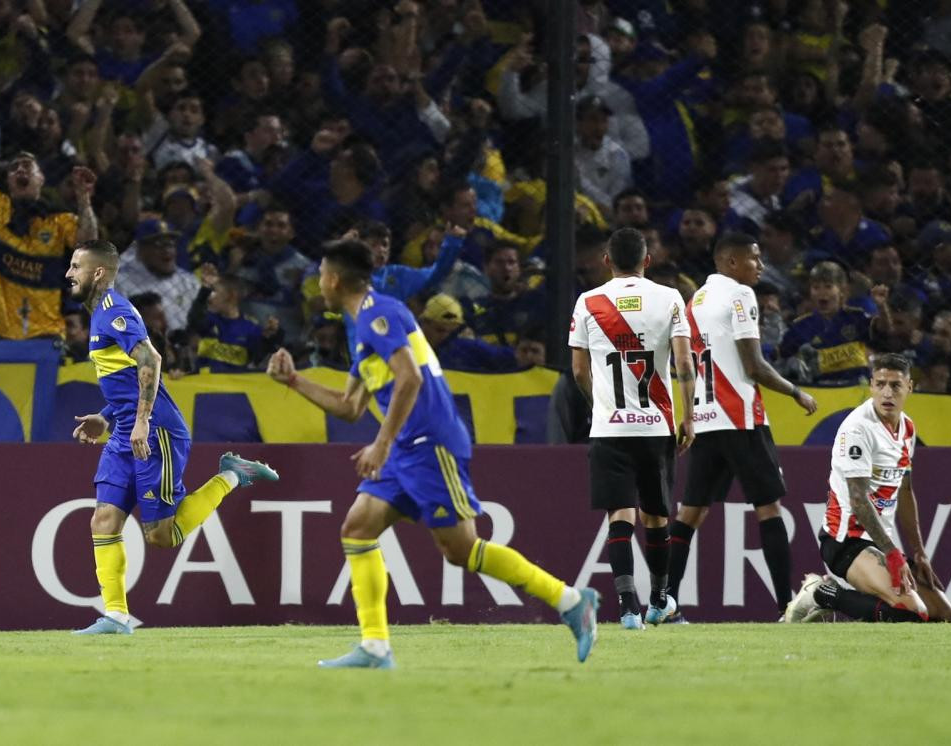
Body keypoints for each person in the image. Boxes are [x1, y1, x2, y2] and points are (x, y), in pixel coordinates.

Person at [266, 239, 599, 668]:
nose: (317, 284)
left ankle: (571, 601)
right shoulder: (364, 325)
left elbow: (410, 381)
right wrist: (295, 382)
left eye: (320, 276)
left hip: (429, 443)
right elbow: (349, 407)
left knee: (461, 549)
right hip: (406, 446)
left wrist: (381, 444)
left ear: (332, 278)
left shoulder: (378, 314)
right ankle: (375, 646)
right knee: (358, 527)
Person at [64, 239, 279, 635]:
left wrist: (142, 420)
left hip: (155, 430)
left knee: (162, 537)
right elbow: (128, 379)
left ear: (97, 273)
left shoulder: (115, 312)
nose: (68, 273)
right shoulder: (98, 315)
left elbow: (152, 360)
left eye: (75, 266)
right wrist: (105, 415)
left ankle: (232, 474)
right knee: (103, 520)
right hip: (124, 431)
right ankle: (116, 615)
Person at [664, 233, 819, 623]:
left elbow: (683, 363)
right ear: (731, 262)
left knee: (690, 514)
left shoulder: (694, 301)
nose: (761, 267)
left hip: (705, 418)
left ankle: (662, 603)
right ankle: (786, 606)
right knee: (768, 508)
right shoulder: (739, 296)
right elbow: (753, 366)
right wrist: (795, 392)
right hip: (740, 417)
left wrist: (688, 415)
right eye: (755, 258)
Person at [567, 227, 696, 630]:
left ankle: (627, 609)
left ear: (607, 261)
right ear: (647, 260)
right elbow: (685, 365)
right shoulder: (670, 298)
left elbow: (578, 370)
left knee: (620, 515)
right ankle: (660, 601)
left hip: (610, 428)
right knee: (657, 516)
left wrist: (600, 404)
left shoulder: (588, 302)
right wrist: (688, 416)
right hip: (655, 427)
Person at [785, 354, 951, 623]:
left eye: (896, 385)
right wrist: (892, 553)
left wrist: (919, 552)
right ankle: (822, 593)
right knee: (912, 613)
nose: (887, 392)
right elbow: (858, 500)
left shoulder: (907, 428)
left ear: (910, 387)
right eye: (880, 384)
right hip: (845, 541)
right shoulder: (858, 430)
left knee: (942, 613)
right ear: (871, 386)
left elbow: (906, 490)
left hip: (878, 542)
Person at [0, 93, 99, 339]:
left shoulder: (58, 219)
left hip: (45, 333)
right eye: (15, 166)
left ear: (41, 180)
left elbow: (89, 242)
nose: (21, 169)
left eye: (29, 166)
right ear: (8, 181)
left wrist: (84, 199)